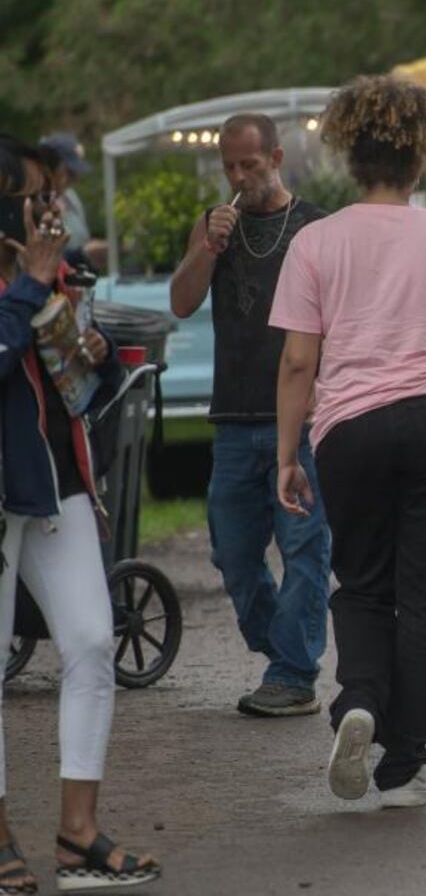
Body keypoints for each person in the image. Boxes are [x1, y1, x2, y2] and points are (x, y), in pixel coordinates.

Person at [273, 76, 426, 809]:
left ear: (352, 161)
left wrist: (286, 454)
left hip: (351, 427)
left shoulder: (315, 240)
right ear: (419, 165)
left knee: (363, 579)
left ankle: (361, 698)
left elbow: (299, 360)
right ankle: (406, 763)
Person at [0, 135, 159, 891]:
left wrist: (86, 348)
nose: (48, 208)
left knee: (93, 640)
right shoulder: (30, 273)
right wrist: (30, 289)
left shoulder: (45, 269)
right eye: (34, 194)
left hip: (57, 480)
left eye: (47, 194)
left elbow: (72, 387)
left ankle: (77, 835)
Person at [169, 113, 333, 717]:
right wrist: (206, 248)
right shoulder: (215, 227)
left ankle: (293, 673)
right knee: (233, 556)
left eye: (250, 165)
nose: (239, 178)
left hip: (305, 422)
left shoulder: (316, 227)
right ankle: (282, 650)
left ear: (278, 158)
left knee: (304, 549)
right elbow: (182, 302)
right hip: (234, 418)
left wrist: (327, 388)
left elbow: (341, 321)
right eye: (229, 167)